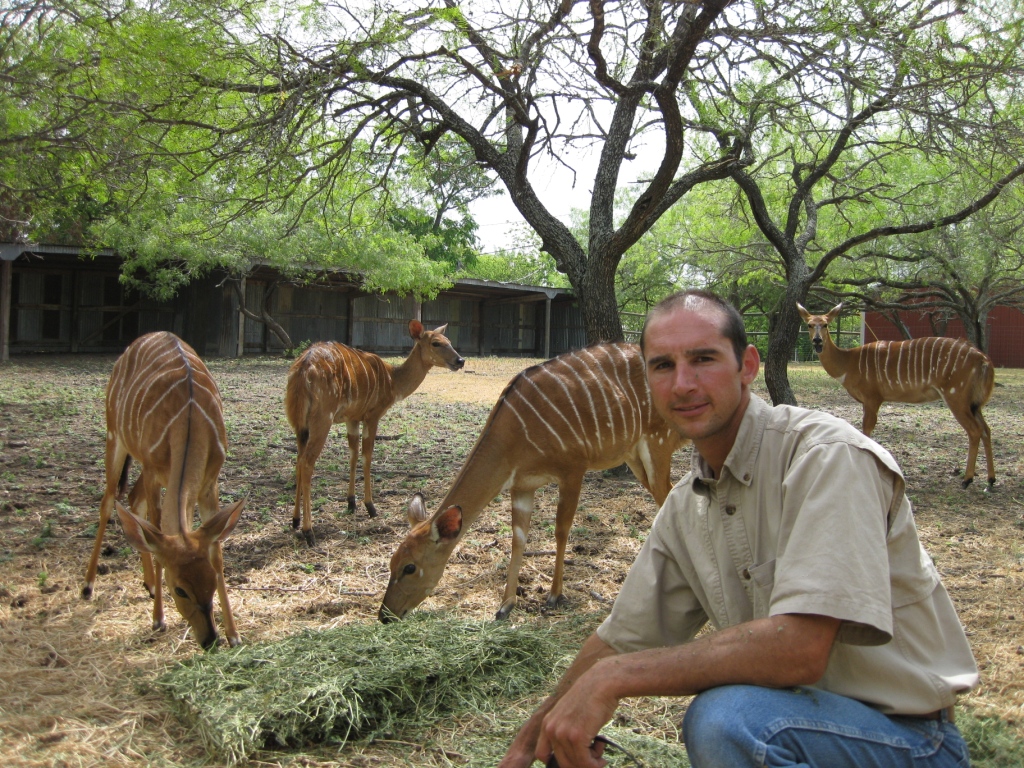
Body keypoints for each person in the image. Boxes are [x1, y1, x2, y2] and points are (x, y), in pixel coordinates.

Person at [499, 289, 978, 768]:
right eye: (662, 366)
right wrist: (533, 739)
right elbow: (620, 638)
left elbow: (798, 651)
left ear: (747, 365)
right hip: (797, 728)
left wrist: (613, 678)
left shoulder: (827, 458)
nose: (683, 384)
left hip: (910, 741)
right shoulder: (687, 504)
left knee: (727, 718)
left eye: (703, 359)